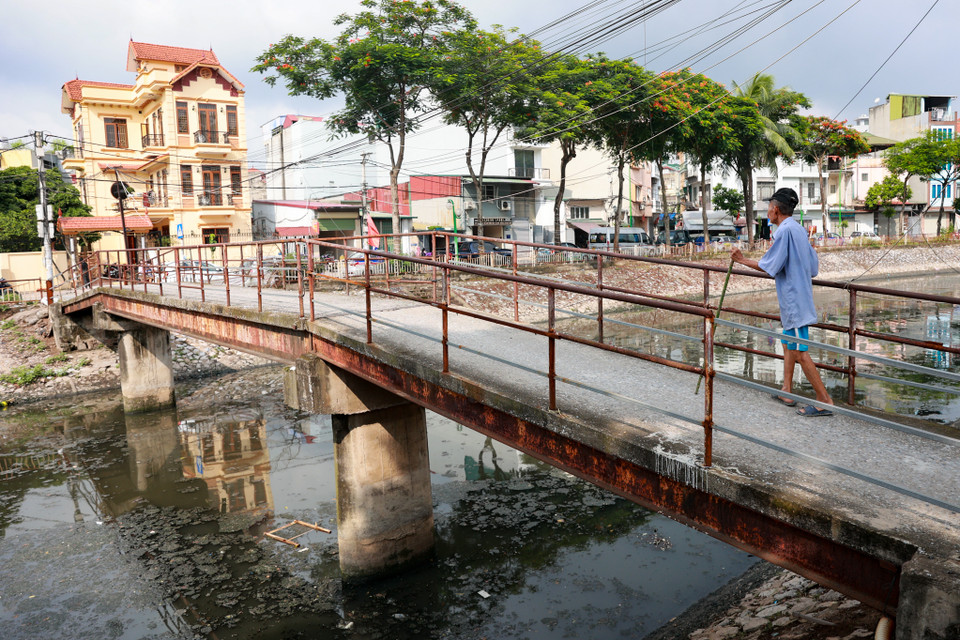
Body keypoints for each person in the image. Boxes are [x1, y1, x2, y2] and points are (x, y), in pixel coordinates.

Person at [730, 187, 834, 417]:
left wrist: (741, 260)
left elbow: (770, 265)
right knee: (789, 344)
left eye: (769, 207)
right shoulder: (798, 229)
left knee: (799, 351)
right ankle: (786, 389)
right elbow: (813, 267)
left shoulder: (784, 231)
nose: (768, 211)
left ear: (775, 210)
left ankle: (824, 400)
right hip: (797, 297)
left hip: (794, 300)